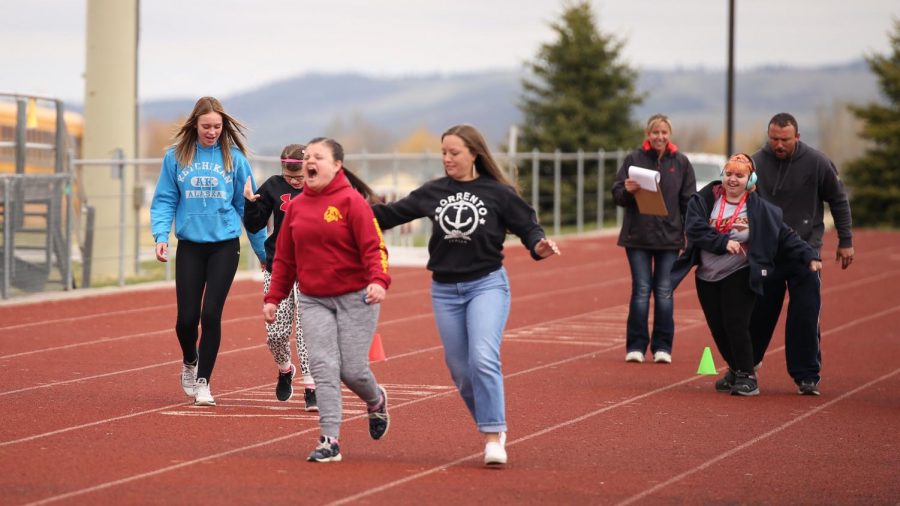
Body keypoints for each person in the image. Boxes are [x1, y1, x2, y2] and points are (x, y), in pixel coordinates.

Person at [372, 124, 560, 467]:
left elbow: (527, 225)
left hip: (486, 284)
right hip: (445, 290)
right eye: (444, 152)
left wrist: (538, 244)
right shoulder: (433, 191)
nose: (447, 159)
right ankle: (492, 422)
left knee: (483, 357)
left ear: (474, 154)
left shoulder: (498, 193)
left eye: (454, 153)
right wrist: (345, 201)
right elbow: (388, 214)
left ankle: (492, 435)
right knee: (459, 369)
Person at [263, 137, 391, 463]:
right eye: (308, 157)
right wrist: (274, 297)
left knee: (352, 369)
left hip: (356, 296)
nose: (310, 161)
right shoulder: (296, 207)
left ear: (336, 166)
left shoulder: (352, 203)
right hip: (313, 299)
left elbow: (374, 247)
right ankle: (329, 440)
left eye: (318, 157)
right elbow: (285, 259)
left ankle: (375, 400)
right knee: (323, 367)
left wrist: (378, 280)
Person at [671, 154, 822, 395]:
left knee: (736, 322)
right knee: (718, 329)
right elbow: (695, 229)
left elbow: (785, 235)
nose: (733, 179)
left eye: (739, 175)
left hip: (740, 271)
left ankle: (747, 375)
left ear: (750, 179)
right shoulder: (704, 199)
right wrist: (722, 242)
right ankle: (736, 369)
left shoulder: (761, 209)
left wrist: (809, 255)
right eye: (729, 174)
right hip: (707, 276)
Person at [150, 96, 267, 406]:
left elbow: (248, 209)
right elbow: (165, 199)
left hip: (224, 246)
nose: (212, 131)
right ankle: (190, 360)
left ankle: (204, 381)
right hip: (190, 247)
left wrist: (263, 254)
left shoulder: (235, 160)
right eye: (206, 126)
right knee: (186, 320)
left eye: (217, 126)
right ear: (195, 125)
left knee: (211, 313)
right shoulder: (176, 157)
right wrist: (161, 235)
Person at [749, 113, 854, 396]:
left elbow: (839, 200)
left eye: (784, 140)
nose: (778, 145)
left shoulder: (818, 163)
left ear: (797, 137)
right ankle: (747, 365)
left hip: (806, 253)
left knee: (805, 315)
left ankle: (806, 375)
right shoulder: (755, 162)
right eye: (773, 139)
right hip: (768, 252)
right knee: (759, 312)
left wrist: (846, 240)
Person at [611, 114, 696, 364]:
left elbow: (689, 200)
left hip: (670, 239)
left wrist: (690, 232)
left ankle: (662, 347)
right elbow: (617, 194)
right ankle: (636, 346)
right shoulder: (633, 160)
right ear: (648, 135)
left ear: (670, 135)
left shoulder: (681, 163)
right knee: (640, 291)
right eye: (655, 132)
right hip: (638, 237)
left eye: (664, 133)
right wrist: (625, 190)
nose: (660, 137)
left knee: (664, 292)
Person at [243, 144, 317, 410]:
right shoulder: (273, 186)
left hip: (311, 269)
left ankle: (311, 387)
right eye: (289, 176)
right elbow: (254, 225)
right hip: (279, 267)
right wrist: (251, 204)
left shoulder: (320, 188)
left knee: (307, 331)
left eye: (299, 177)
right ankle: (285, 369)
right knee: (275, 334)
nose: (295, 181)